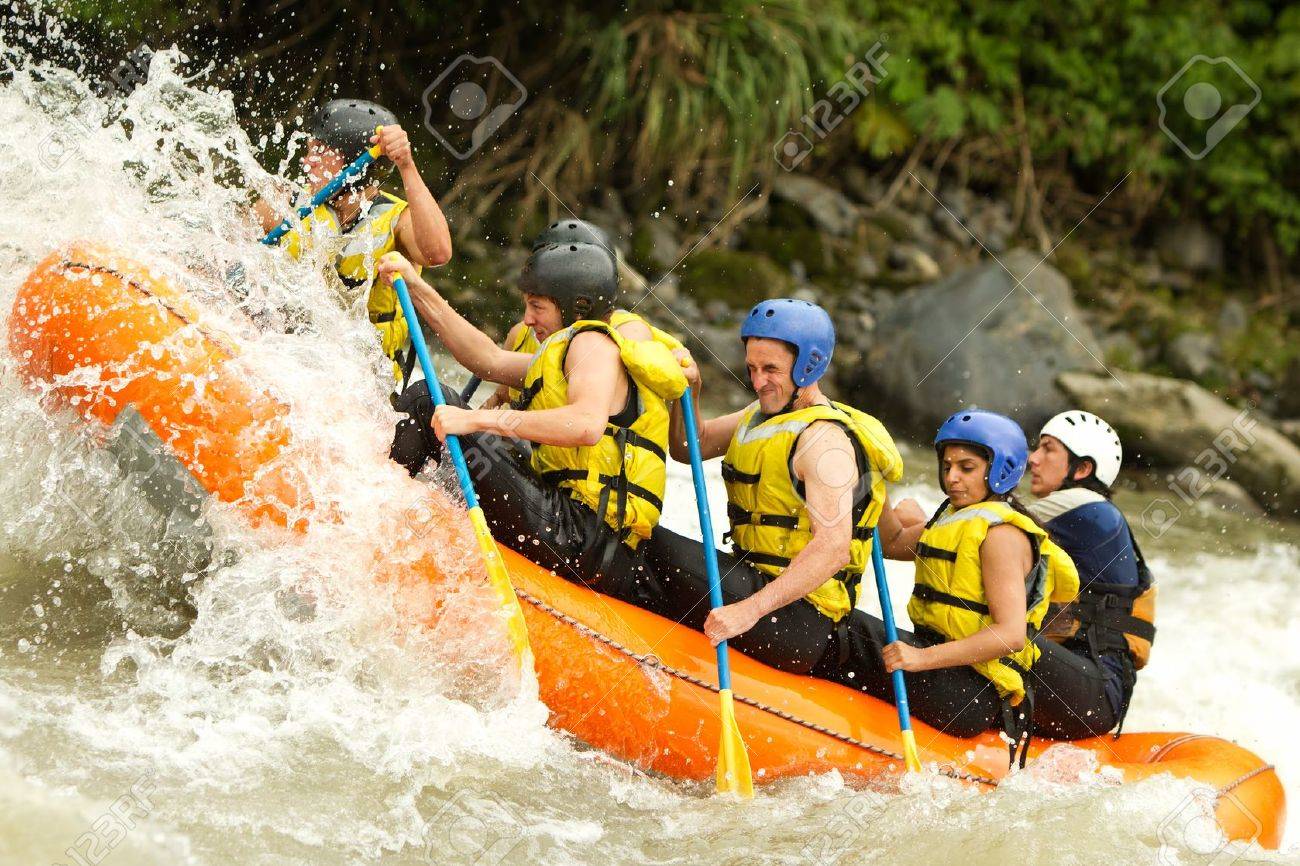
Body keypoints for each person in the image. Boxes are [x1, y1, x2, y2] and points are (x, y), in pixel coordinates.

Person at [375, 243, 687, 605]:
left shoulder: (593, 346)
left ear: (577, 307)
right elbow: (486, 359)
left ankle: (374, 517)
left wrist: (477, 418)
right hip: (581, 533)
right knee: (437, 402)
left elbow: (586, 424)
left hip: (585, 537)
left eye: (537, 307)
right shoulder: (568, 351)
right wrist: (415, 285)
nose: (527, 319)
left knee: (428, 399)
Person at [642, 299, 907, 678]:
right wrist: (692, 390)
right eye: (751, 368)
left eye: (771, 370)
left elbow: (833, 548)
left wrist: (747, 611)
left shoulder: (823, 441)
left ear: (808, 366)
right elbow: (689, 447)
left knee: (652, 545)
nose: (757, 381)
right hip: (756, 583)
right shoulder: (761, 415)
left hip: (799, 620)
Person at [827, 409, 1083, 766]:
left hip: (970, 693)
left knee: (843, 627)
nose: (952, 477)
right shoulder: (952, 519)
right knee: (851, 626)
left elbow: (1010, 635)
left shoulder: (1001, 535)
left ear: (1000, 470)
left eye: (966, 468)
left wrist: (920, 658)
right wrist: (873, 478)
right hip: (945, 674)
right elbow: (893, 542)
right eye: (947, 466)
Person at [253, 98, 453, 441]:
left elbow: (438, 253)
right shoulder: (286, 204)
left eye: (320, 152)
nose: (307, 161)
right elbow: (232, 251)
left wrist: (406, 166)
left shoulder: (398, 220)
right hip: (289, 359)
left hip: (365, 382)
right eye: (309, 150)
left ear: (355, 162)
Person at [1026, 410, 1156, 736]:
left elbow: (976, 521)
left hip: (1096, 689)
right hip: (1081, 682)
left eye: (1048, 449)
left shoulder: (1087, 507)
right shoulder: (1087, 513)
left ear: (1082, 468)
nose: (1032, 459)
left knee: (998, 640)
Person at [479, 218, 670, 410]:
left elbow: (599, 371)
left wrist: (497, 363)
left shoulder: (629, 332)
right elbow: (500, 398)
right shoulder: (519, 334)